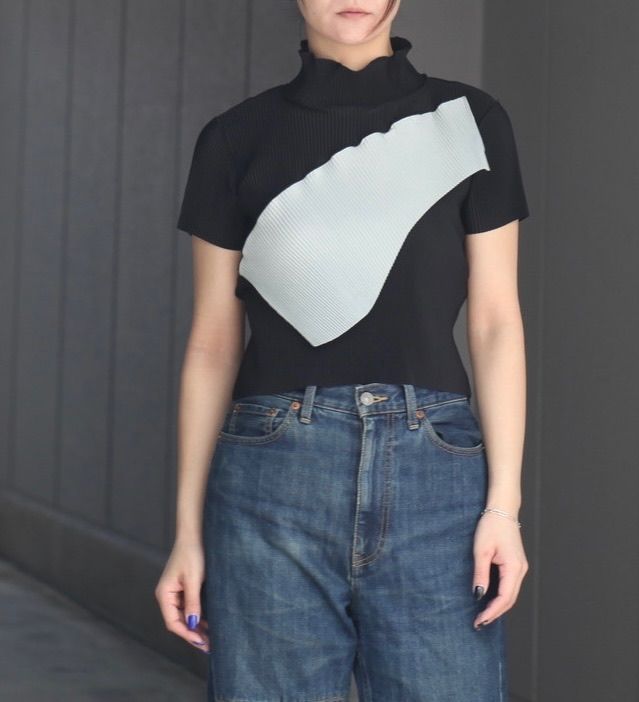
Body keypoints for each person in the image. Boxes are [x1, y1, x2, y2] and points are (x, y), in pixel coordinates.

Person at [155, 1, 530, 700]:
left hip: (437, 479)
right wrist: (186, 532)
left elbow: (496, 323)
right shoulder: (235, 138)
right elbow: (212, 341)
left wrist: (503, 508)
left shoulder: (470, 121)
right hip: (271, 480)